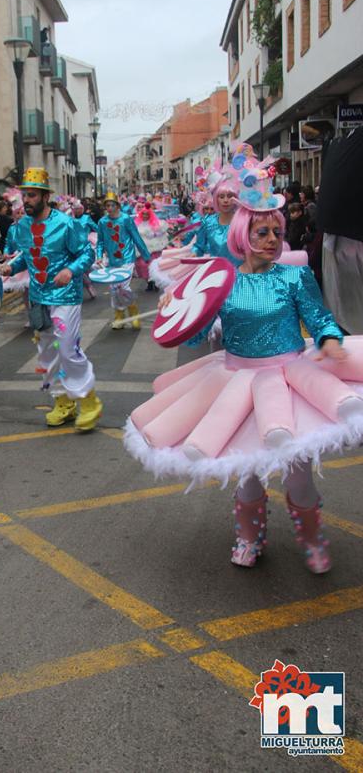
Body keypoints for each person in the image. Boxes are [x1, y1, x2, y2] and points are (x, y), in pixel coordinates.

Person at [124, 164, 363, 575]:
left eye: (277, 232)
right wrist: (174, 311)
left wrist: (327, 339)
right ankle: (249, 538)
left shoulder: (295, 276)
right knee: (248, 474)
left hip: (289, 382)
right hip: (234, 383)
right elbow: (197, 335)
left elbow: (320, 317)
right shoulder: (224, 281)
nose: (271, 241)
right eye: (262, 233)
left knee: (299, 477)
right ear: (242, 237)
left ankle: (311, 540)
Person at [0, 167, 102, 431]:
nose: (27, 201)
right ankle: (63, 401)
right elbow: (26, 255)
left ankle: (89, 401)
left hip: (65, 297)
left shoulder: (66, 223)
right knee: (48, 353)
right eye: (25, 196)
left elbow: (86, 254)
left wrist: (70, 270)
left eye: (32, 195)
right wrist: (12, 267)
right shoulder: (22, 226)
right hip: (39, 299)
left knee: (68, 349)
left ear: (45, 196)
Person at [96, 191, 151, 329]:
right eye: (107, 205)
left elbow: (136, 237)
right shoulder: (102, 222)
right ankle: (119, 316)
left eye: (111, 205)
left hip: (126, 258)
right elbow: (100, 242)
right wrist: (98, 256)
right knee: (114, 289)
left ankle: (134, 313)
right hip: (111, 261)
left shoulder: (126, 219)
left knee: (123, 287)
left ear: (117, 206)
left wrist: (146, 256)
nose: (109, 208)